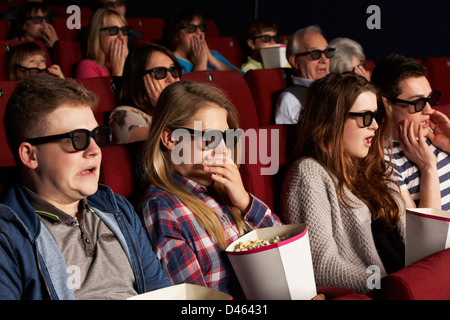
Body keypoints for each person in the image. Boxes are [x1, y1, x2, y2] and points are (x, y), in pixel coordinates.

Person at [0, 74, 170, 300]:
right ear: (30, 155)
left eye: (96, 136)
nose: (95, 151)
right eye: (77, 139)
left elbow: (162, 293)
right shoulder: (8, 237)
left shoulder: (118, 209)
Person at [139, 81, 282, 296]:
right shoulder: (162, 208)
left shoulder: (230, 195)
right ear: (169, 138)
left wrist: (244, 201)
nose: (222, 149)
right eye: (210, 138)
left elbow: (285, 252)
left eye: (226, 137)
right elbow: (199, 300)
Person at [282, 72, 405, 294]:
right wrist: (388, 285)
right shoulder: (309, 173)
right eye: (366, 117)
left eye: (377, 116)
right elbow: (322, 267)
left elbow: (406, 233)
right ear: (332, 120)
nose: (375, 126)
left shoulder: (371, 165)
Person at [371, 54, 450, 210]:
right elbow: (423, 231)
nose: (429, 110)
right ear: (387, 104)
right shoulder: (382, 163)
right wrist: (428, 167)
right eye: (418, 102)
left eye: (430, 99)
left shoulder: (436, 136)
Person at [109, 44, 182, 144]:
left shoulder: (186, 106)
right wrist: (163, 107)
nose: (172, 79)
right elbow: (163, 149)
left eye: (173, 70)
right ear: (138, 80)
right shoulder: (124, 115)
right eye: (160, 72)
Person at [274, 25, 334, 124]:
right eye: (315, 53)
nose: (324, 60)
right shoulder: (290, 100)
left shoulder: (337, 88)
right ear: (295, 61)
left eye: (327, 52)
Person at [162, 8, 241, 74]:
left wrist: (213, 61)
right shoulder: (170, 63)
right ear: (175, 35)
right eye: (191, 28)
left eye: (201, 27)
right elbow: (193, 91)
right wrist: (200, 63)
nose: (199, 33)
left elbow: (245, 79)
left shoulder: (213, 55)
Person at [75, 8, 129, 79]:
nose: (121, 37)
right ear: (97, 34)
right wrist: (118, 73)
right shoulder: (87, 66)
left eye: (124, 30)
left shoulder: (130, 67)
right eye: (113, 30)